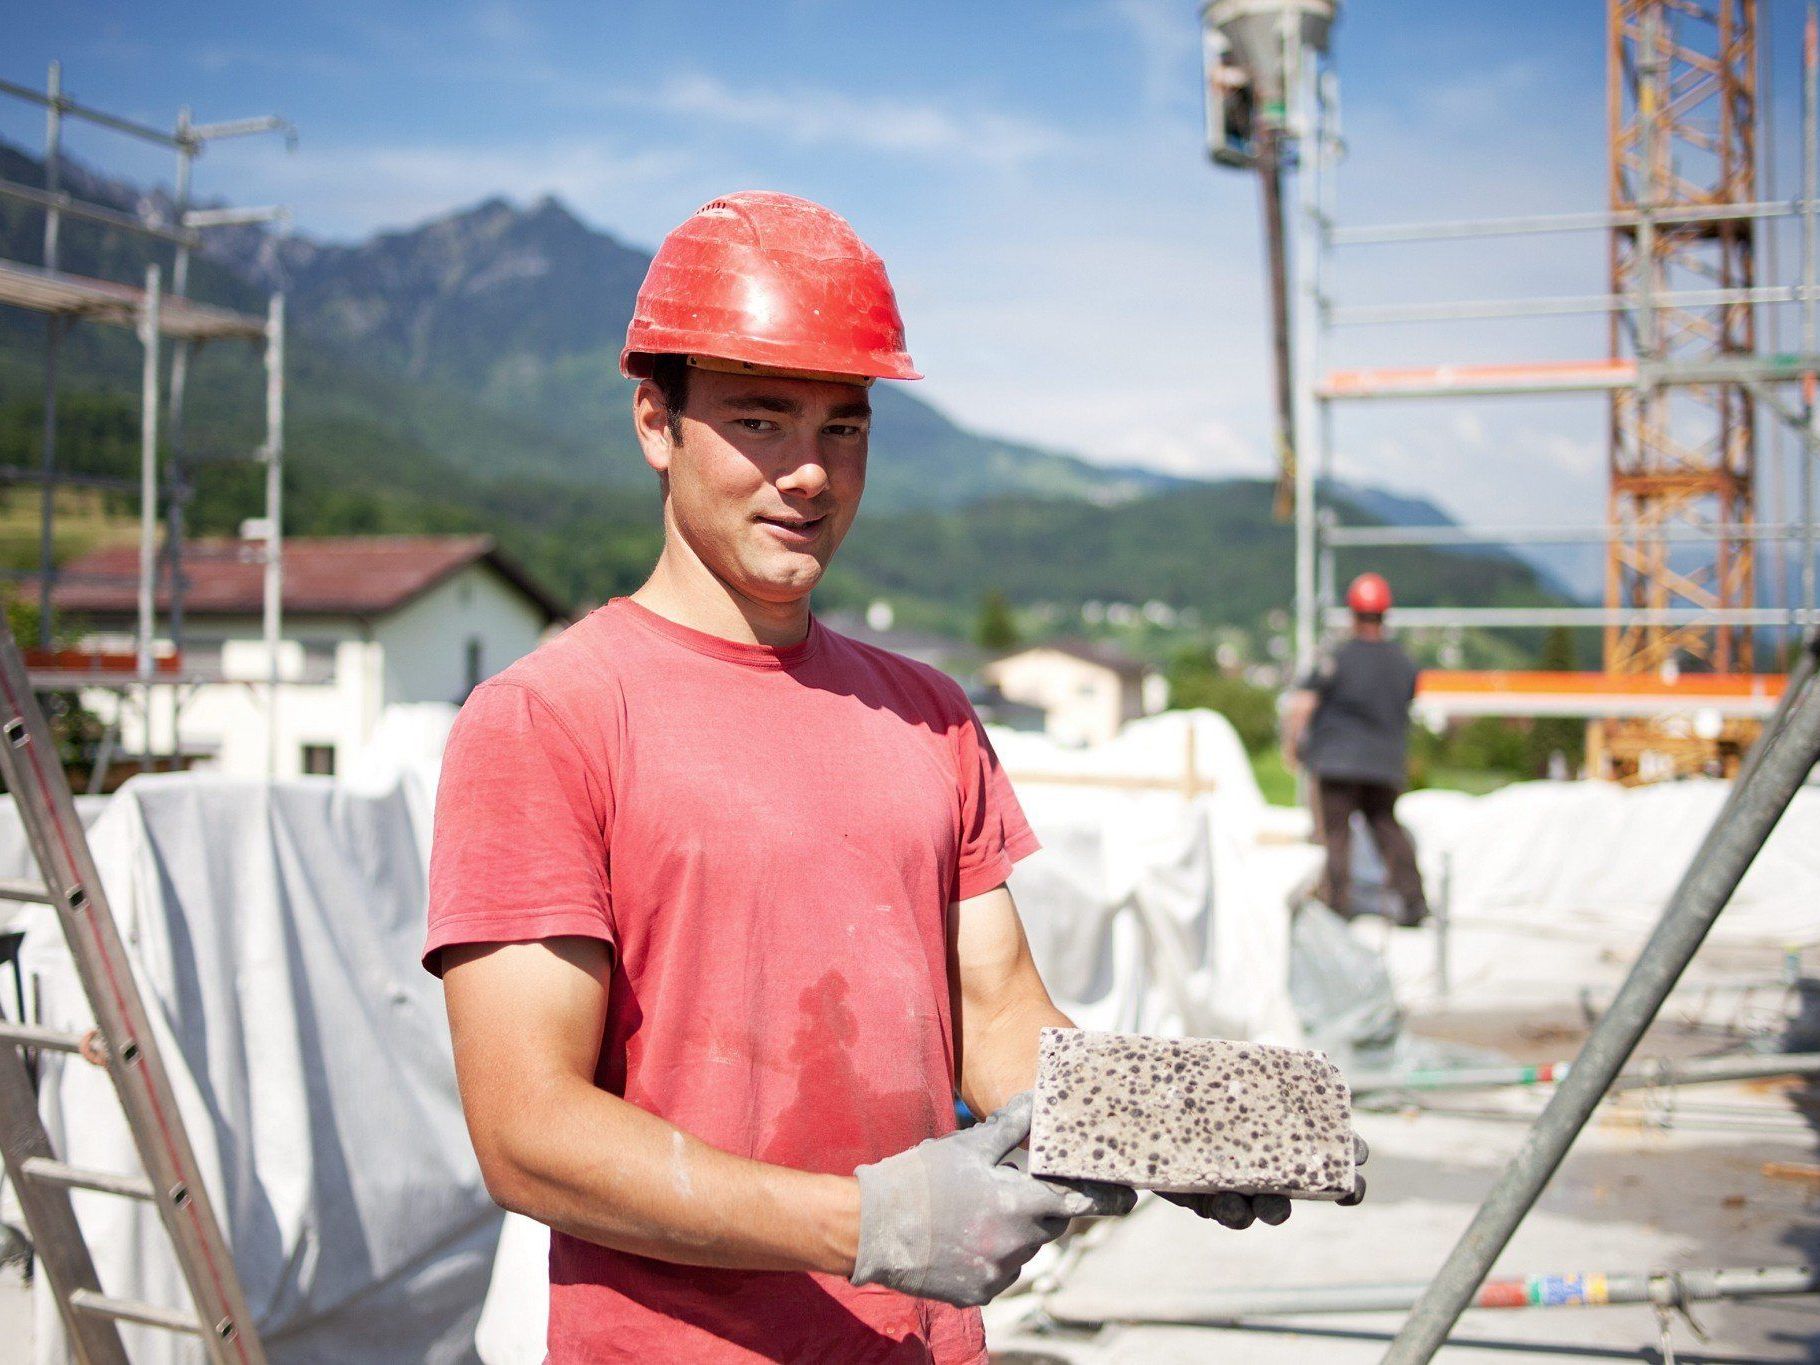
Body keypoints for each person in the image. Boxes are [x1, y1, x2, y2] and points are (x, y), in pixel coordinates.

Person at [423, 192, 1331, 1364]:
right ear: (655, 419)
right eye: (758, 420)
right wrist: (873, 1225)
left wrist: (1159, 1122)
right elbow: (526, 1131)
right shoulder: (547, 722)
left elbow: (997, 1019)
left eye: (841, 428)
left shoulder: (927, 715)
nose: (806, 473)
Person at [1282, 572, 1429, 927]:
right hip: (1384, 764)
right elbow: (1407, 702)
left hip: (1336, 763)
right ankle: (1413, 902)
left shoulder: (1337, 657)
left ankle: (1335, 907)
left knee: (1334, 835)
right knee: (1386, 828)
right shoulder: (1403, 663)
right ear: (1384, 614)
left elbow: (1301, 706)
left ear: (1353, 613)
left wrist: (1293, 747)